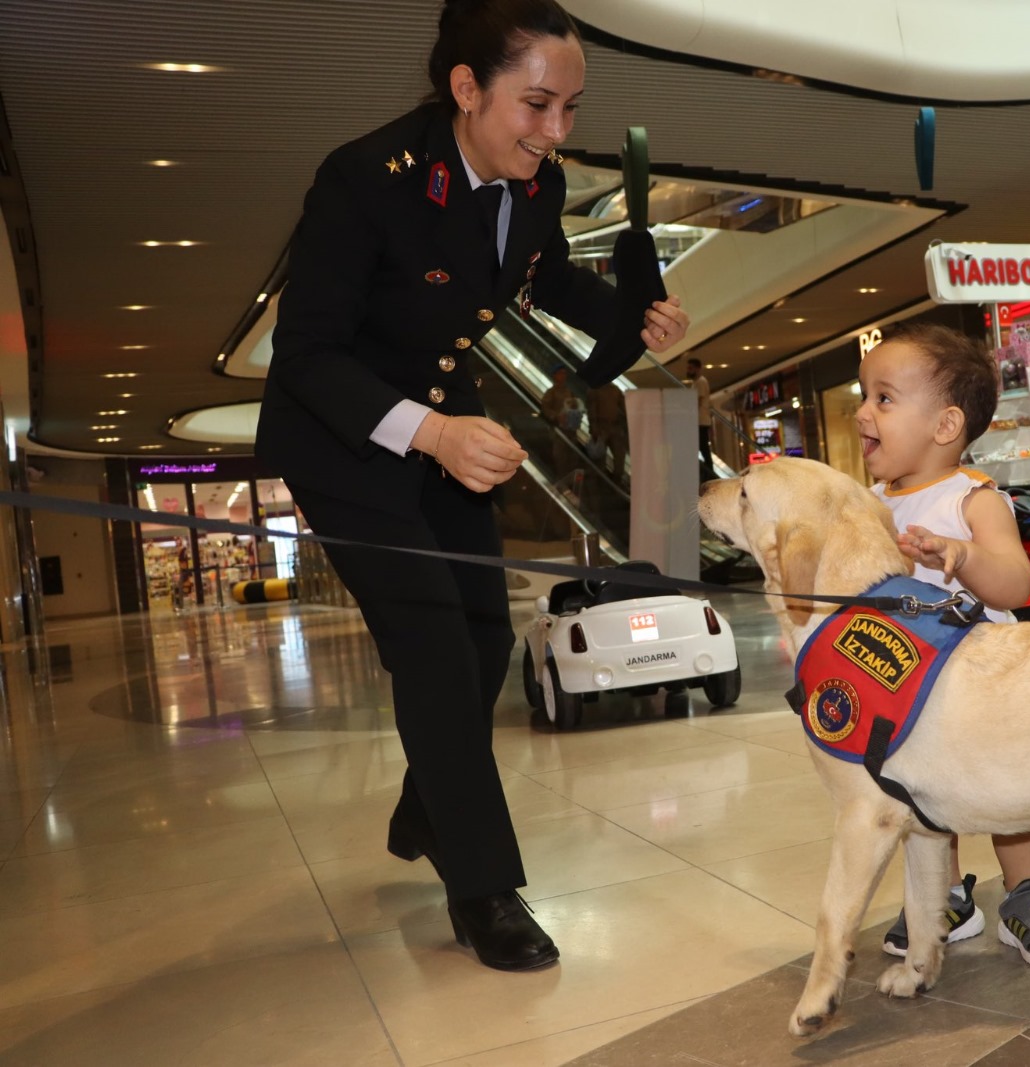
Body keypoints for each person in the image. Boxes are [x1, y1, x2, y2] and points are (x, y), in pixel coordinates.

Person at [254, 0, 689, 972]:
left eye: (571, 108)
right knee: (437, 655)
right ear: (465, 88)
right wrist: (434, 432)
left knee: (485, 634)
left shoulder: (537, 187)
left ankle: (430, 802)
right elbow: (309, 354)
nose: (556, 130)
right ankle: (484, 886)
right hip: (350, 440)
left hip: (449, 428)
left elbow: (544, 277)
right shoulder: (366, 178)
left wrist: (635, 311)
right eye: (536, 104)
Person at [855, 322, 1030, 967]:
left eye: (884, 398)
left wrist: (963, 553)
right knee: (926, 792)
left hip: (985, 683)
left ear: (945, 424)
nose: (863, 411)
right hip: (907, 683)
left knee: (1009, 788)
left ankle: (1027, 892)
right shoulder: (868, 507)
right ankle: (945, 896)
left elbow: (1014, 584)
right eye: (865, 395)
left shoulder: (973, 499)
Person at [586, 378, 628, 478]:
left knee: (620, 456)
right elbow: (592, 410)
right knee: (600, 459)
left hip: (614, 427)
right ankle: (600, 481)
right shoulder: (594, 389)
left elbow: (625, 406)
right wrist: (594, 428)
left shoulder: (615, 389)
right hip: (601, 428)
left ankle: (616, 480)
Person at [684, 357, 715, 479]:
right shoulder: (696, 383)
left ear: (697, 369)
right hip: (699, 421)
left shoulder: (701, 382)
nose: (688, 370)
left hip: (700, 421)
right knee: (701, 448)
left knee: (703, 448)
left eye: (690, 368)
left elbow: (698, 401)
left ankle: (709, 475)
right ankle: (706, 474)